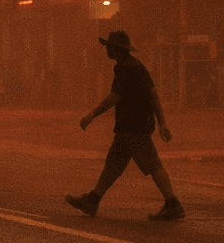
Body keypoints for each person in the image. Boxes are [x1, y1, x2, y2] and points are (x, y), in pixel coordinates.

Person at [64, 29, 185, 222]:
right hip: (130, 127)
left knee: (153, 165)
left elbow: (114, 97)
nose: (106, 50)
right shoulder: (137, 66)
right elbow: (153, 95)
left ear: (116, 49)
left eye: (108, 47)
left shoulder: (124, 69)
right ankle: (92, 201)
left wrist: (91, 115)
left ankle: (173, 204)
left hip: (134, 128)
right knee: (113, 165)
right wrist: (162, 123)